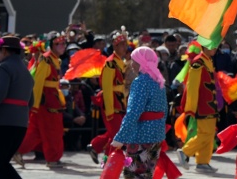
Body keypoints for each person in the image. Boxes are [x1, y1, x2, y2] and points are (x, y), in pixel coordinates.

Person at [110, 46, 168, 179]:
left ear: (141, 62)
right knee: (147, 174)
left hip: (141, 135)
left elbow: (133, 113)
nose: (131, 64)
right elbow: (164, 110)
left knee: (134, 174)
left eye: (133, 60)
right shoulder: (159, 80)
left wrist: (120, 137)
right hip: (157, 134)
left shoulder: (140, 82)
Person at [0, 35, 32, 179]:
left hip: (2, 123)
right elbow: (31, 100)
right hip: (20, 125)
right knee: (1, 163)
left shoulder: (4, 67)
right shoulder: (26, 71)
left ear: (4, 51)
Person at [17, 30, 67, 168]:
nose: (62, 46)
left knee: (36, 132)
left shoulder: (56, 60)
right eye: (58, 44)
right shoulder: (46, 59)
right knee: (51, 132)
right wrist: (35, 104)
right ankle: (52, 159)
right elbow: (38, 83)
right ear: (52, 45)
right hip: (46, 102)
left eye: (63, 44)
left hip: (53, 99)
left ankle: (16, 150)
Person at [177, 42, 219, 173]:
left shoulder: (207, 60)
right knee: (205, 133)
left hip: (210, 104)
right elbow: (192, 86)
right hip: (203, 105)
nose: (215, 48)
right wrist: (190, 107)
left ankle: (202, 162)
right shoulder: (198, 62)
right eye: (213, 45)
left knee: (210, 133)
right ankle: (185, 152)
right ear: (205, 46)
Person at [89, 29, 130, 162]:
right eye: (122, 45)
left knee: (115, 132)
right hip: (111, 102)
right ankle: (108, 161)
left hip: (120, 102)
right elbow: (106, 87)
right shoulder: (110, 63)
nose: (125, 47)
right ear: (115, 46)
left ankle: (96, 146)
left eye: (126, 44)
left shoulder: (120, 62)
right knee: (118, 134)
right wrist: (110, 110)